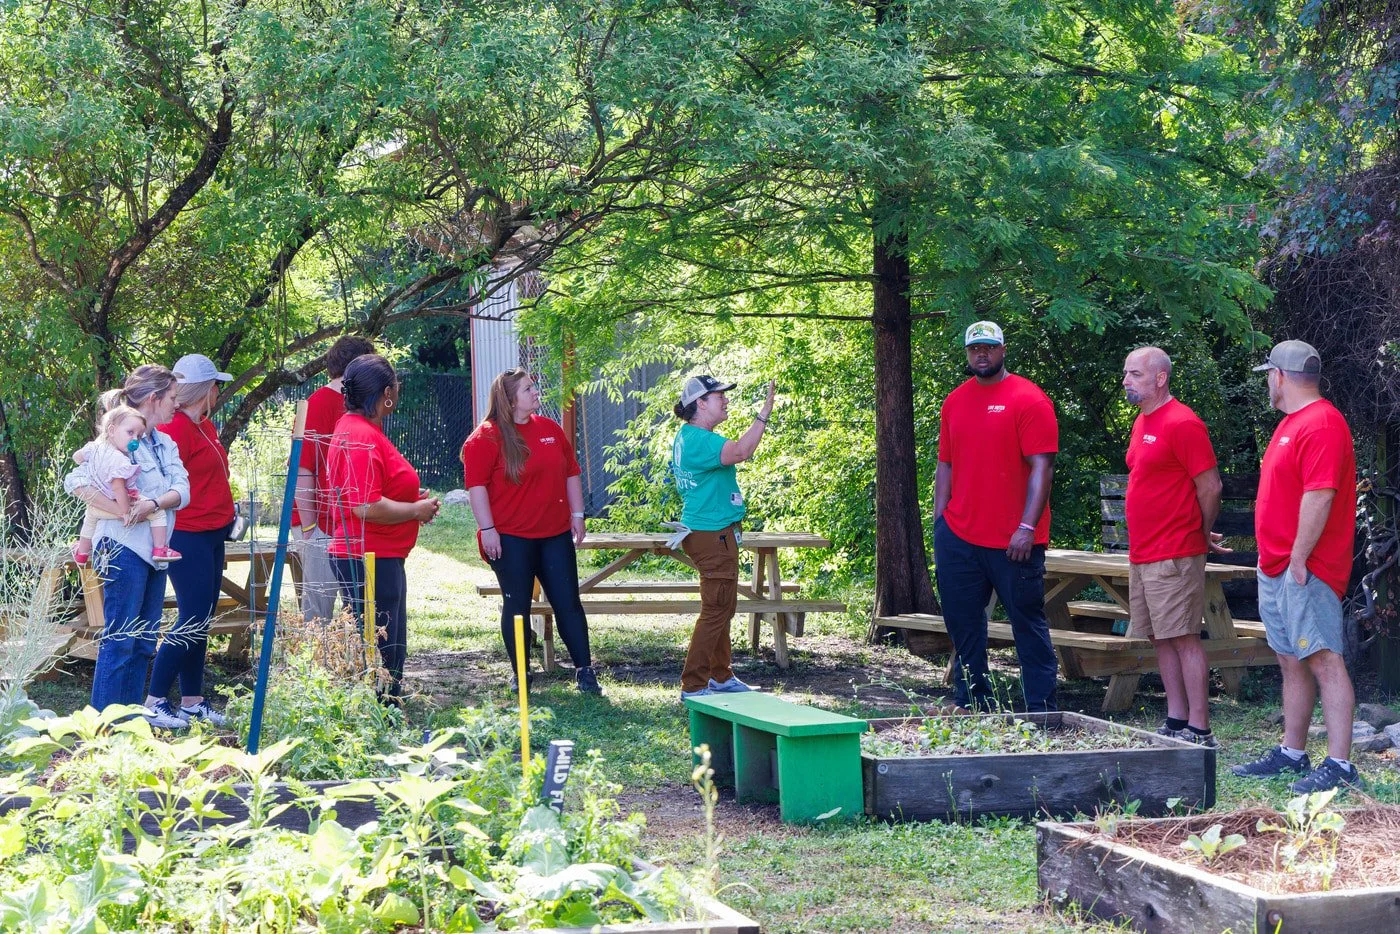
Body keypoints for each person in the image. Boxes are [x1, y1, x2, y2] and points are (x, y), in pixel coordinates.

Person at [1232, 340, 1362, 793]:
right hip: (1279, 565)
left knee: (1325, 658)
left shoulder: (1322, 422)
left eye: (1269, 375)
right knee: (1291, 659)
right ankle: (1292, 753)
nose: (1268, 383)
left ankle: (1340, 765)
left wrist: (1300, 559)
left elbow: (1320, 495)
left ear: (1280, 376)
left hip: (1307, 567)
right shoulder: (1292, 423)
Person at [933, 321, 1059, 712]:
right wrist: (940, 523)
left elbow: (1043, 468)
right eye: (975, 349)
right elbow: (945, 464)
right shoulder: (955, 401)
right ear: (967, 354)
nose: (981, 354)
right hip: (959, 535)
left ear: (1003, 350)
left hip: (1014, 540)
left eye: (989, 347)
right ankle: (972, 702)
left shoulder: (1029, 399)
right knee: (963, 623)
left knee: (1027, 622)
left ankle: (1041, 708)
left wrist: (1027, 526)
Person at [64, 365, 191, 727]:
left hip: (155, 551)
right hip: (121, 547)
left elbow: (183, 490)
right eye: (172, 398)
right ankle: (103, 727)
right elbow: (75, 482)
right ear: (153, 398)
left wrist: (152, 504)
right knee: (120, 639)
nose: (176, 405)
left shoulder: (165, 443)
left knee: (144, 641)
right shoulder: (114, 439)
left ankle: (130, 724)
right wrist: (120, 510)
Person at [462, 368, 602, 695]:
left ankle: (585, 671)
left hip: (554, 534)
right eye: (528, 389)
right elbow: (476, 487)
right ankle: (521, 674)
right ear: (510, 400)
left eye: (533, 387)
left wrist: (577, 514)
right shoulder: (485, 437)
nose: (536, 392)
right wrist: (487, 529)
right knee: (517, 605)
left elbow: (571, 472)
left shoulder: (550, 429)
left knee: (568, 601)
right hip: (511, 537)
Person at [1121, 347, 1226, 747]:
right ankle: (1176, 720)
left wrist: (1200, 532)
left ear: (1160, 378)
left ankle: (1200, 729)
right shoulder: (1142, 420)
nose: (1126, 381)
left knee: (1183, 636)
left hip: (1175, 550)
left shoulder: (1183, 422)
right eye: (1126, 373)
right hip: (1144, 551)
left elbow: (1210, 486)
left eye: (1135, 374)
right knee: (1159, 636)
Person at [325, 354, 441, 700]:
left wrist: (411, 505)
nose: (398, 391)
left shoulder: (358, 429)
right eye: (396, 386)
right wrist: (415, 510)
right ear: (386, 393)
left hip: (377, 553)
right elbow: (365, 506)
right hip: (369, 556)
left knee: (383, 643)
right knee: (382, 648)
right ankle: (382, 712)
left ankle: (383, 707)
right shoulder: (360, 434)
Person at [142, 353, 237, 727]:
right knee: (192, 617)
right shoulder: (176, 428)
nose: (218, 392)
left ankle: (192, 701)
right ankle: (154, 700)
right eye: (216, 386)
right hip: (188, 533)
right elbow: (162, 483)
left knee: (202, 617)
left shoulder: (204, 425)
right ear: (205, 389)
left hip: (213, 532)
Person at [670, 374, 775, 700]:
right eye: (719, 396)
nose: (726, 400)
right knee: (716, 609)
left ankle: (720, 675)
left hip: (712, 532)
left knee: (723, 606)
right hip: (711, 534)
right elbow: (742, 451)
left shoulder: (690, 436)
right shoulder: (700, 440)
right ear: (700, 404)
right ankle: (694, 684)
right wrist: (764, 414)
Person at [293, 335, 376, 625]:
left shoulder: (361, 405)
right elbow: (303, 470)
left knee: (359, 607)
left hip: (350, 521)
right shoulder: (318, 403)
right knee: (319, 613)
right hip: (320, 522)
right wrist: (310, 529)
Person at [71, 405, 180, 565]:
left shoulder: (93, 447)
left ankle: (82, 553)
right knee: (158, 514)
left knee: (90, 517)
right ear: (112, 430)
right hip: (123, 502)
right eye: (130, 433)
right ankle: (160, 549)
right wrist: (125, 511)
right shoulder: (120, 460)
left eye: (139, 436)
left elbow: (77, 457)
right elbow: (118, 488)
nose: (134, 439)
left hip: (100, 499)